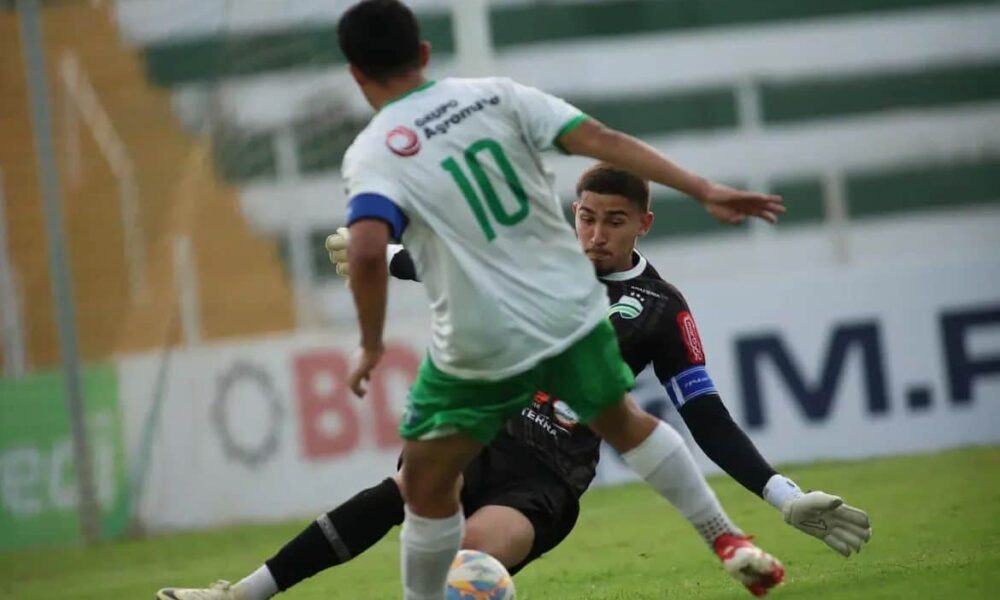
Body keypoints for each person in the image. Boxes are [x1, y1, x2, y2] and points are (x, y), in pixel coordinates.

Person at [155, 165, 867, 600]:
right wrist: (387, 253)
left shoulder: (661, 309)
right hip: (481, 431)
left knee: (467, 565)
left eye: (614, 222)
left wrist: (784, 496)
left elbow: (705, 417)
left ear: (643, 224)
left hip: (549, 474)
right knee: (400, 493)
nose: (595, 235)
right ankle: (242, 595)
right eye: (586, 217)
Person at [334, 1, 791, 598]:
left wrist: (370, 344)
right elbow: (602, 140)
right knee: (623, 421)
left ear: (355, 74)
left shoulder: (372, 151)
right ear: (423, 52)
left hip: (480, 331)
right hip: (564, 304)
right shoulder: (494, 95)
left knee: (421, 484)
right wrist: (701, 188)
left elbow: (369, 253)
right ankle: (724, 536)